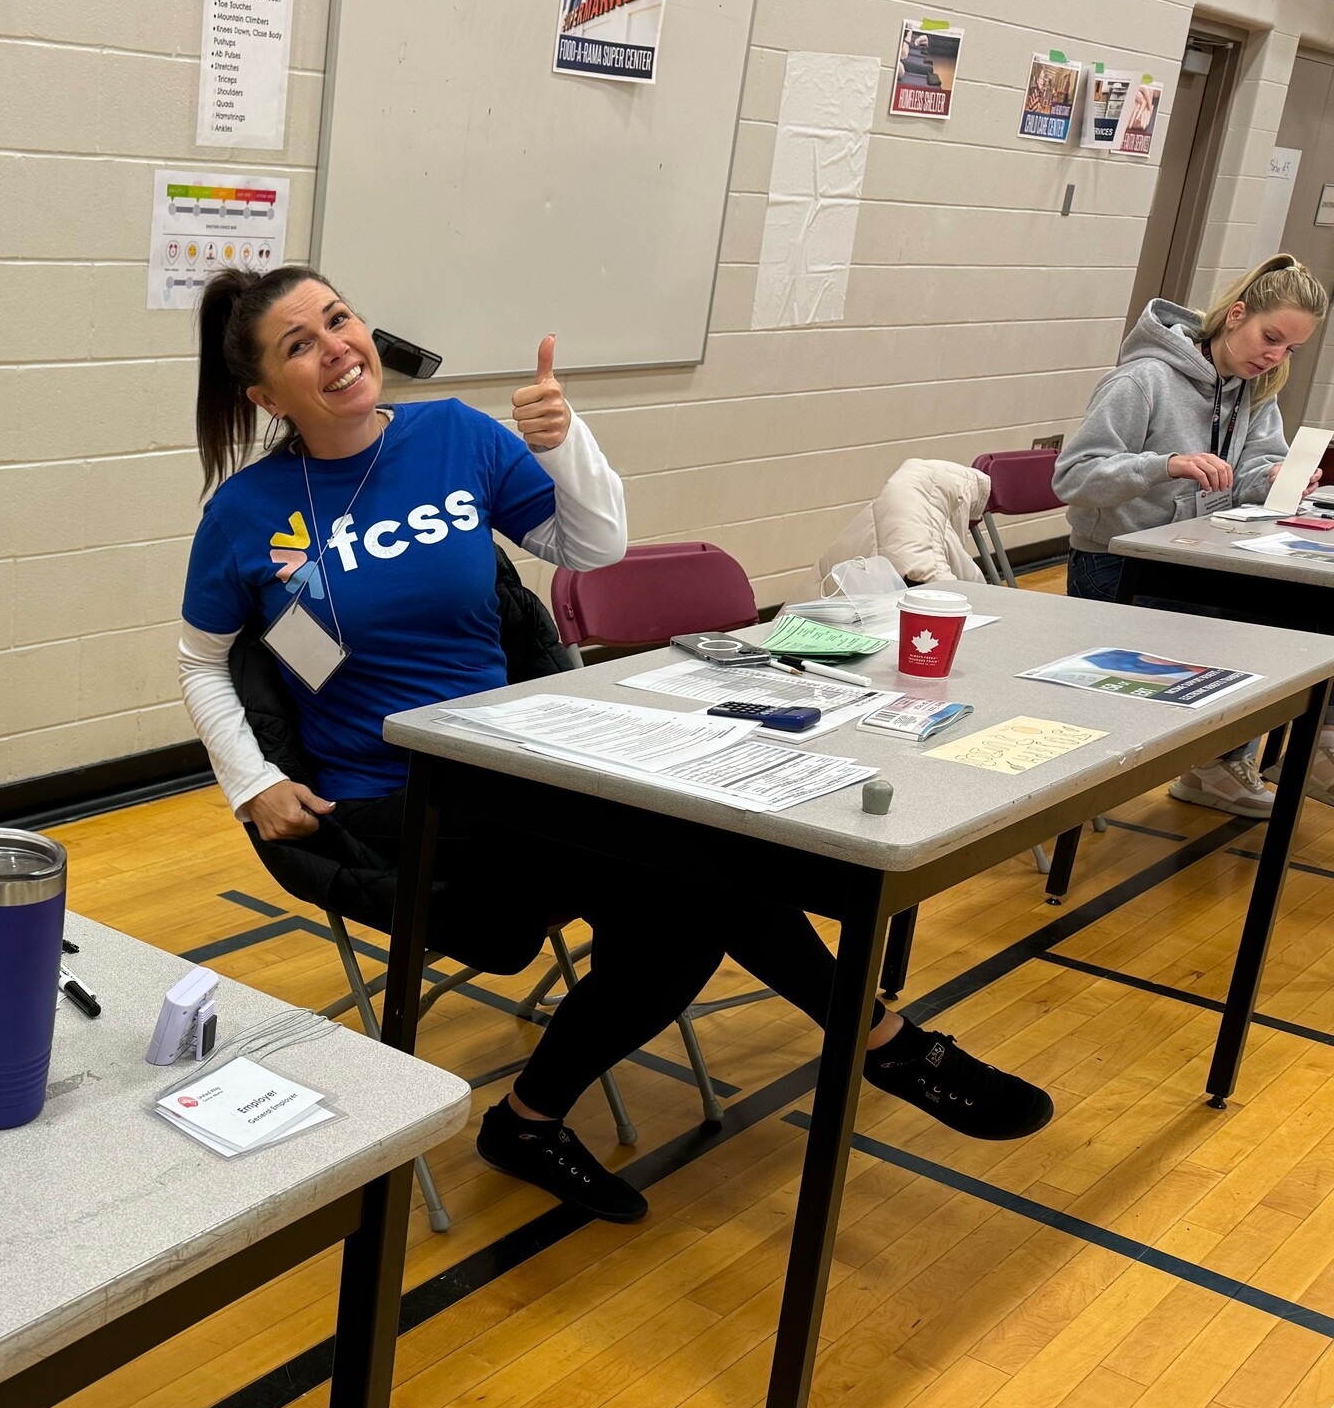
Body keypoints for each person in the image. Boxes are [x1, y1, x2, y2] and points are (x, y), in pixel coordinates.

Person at [176, 265, 1054, 1224]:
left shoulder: (454, 437)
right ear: (264, 394)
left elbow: (589, 547)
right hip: (394, 790)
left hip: (518, 759)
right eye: (299, 344)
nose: (337, 347)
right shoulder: (245, 513)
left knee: (685, 914)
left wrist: (565, 443)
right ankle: (885, 1043)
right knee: (705, 879)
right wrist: (249, 780)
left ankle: (530, 1119)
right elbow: (201, 661)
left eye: (339, 319)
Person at [1055, 253, 1333, 812]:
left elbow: (1250, 474)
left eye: (1290, 350)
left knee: (1274, 626)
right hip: (1116, 561)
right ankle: (1217, 759)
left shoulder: (1255, 390)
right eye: (1270, 337)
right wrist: (1164, 464)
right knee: (1241, 634)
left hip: (1195, 556)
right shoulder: (1143, 380)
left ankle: (1233, 761)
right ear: (1235, 315)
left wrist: (1277, 479)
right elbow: (1073, 477)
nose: (1274, 357)